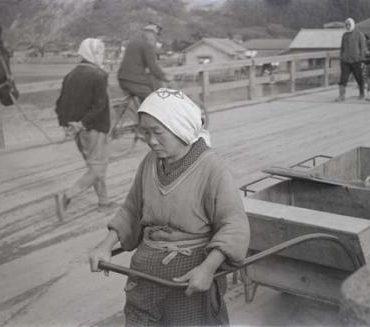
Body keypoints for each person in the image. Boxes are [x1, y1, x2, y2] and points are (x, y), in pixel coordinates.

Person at [88, 88, 250, 326]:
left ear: (180, 128)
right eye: (145, 132)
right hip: (145, 270)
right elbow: (132, 209)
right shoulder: (150, 162)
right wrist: (105, 245)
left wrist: (207, 269)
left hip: (189, 276)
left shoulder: (212, 168)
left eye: (158, 133)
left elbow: (234, 225)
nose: (151, 141)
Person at [55, 38, 118, 213]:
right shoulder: (99, 75)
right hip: (94, 128)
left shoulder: (70, 75)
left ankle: (104, 202)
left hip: (77, 131)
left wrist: (67, 125)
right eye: (100, 52)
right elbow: (99, 106)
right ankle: (67, 196)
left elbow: (60, 104)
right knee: (97, 170)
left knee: (95, 166)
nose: (102, 55)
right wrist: (83, 123)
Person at [118, 23, 172, 102]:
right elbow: (153, 67)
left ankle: (142, 112)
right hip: (133, 81)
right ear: (150, 34)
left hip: (123, 79)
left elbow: (138, 63)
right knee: (154, 100)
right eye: (155, 36)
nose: (156, 39)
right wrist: (165, 77)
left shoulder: (133, 43)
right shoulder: (147, 46)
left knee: (146, 97)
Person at [335, 18, 367, 101]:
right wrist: (341, 57)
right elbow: (342, 48)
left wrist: (362, 60)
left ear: (353, 24)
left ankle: (362, 93)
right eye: (346, 25)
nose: (348, 26)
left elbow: (363, 48)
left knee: (359, 78)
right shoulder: (344, 35)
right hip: (345, 61)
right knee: (343, 79)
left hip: (356, 61)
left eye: (349, 25)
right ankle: (341, 95)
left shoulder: (359, 34)